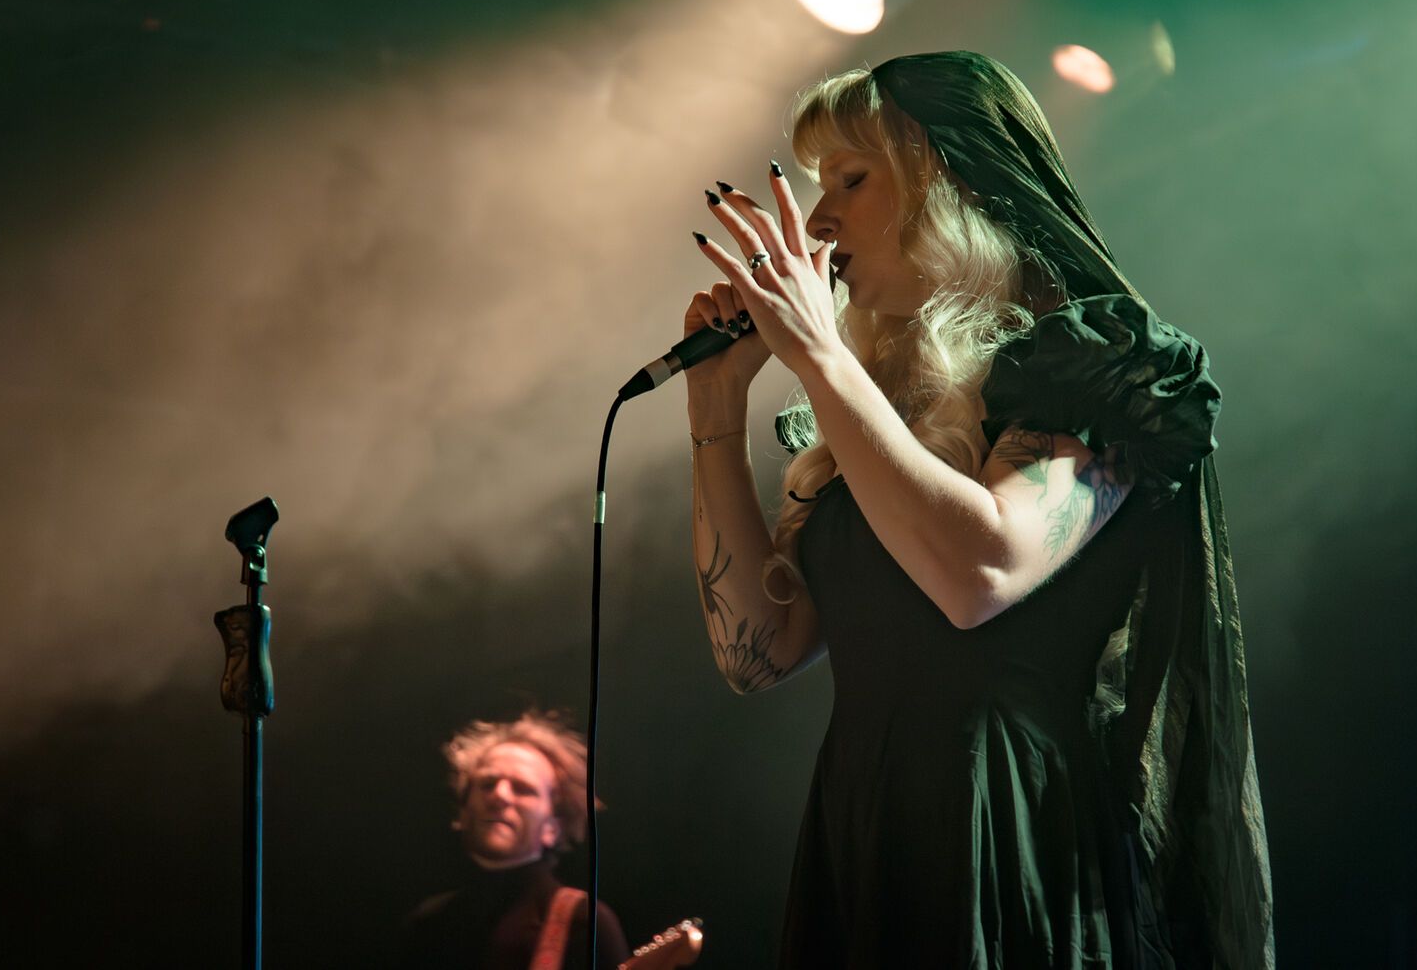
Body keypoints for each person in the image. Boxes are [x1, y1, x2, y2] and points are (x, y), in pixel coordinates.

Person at [683, 51, 1273, 968]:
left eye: (851, 176)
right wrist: (715, 413)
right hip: (864, 823)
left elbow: (980, 571)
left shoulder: (1097, 369)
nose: (820, 218)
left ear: (951, 179)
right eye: (816, 184)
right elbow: (759, 652)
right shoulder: (876, 407)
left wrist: (819, 360)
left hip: (1006, 826)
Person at [397, 711, 631, 970]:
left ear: (552, 828)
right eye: (487, 784)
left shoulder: (585, 922)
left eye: (522, 788)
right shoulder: (428, 924)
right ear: (462, 812)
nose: (500, 796)